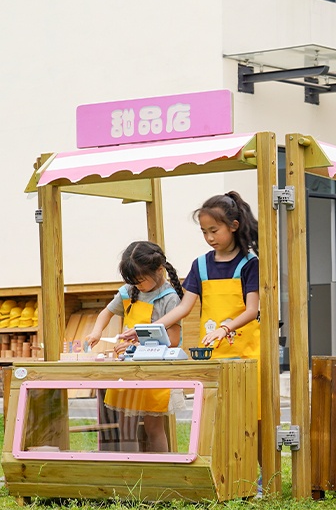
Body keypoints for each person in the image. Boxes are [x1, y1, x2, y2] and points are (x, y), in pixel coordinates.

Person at [86, 241, 184, 452]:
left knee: (153, 426)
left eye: (140, 281)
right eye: (133, 281)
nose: (137, 286)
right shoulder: (128, 291)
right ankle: (130, 470)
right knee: (126, 425)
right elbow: (106, 312)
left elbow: (173, 339)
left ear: (159, 270)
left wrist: (138, 342)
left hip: (154, 369)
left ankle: (161, 470)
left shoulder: (170, 298)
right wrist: (97, 331)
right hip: (128, 367)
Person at [155, 191, 260, 359]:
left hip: (246, 355)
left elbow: (252, 311)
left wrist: (224, 329)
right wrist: (149, 329)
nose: (209, 238)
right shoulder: (200, 265)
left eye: (214, 230)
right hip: (211, 353)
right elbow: (183, 308)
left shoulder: (249, 263)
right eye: (204, 232)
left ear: (234, 226)